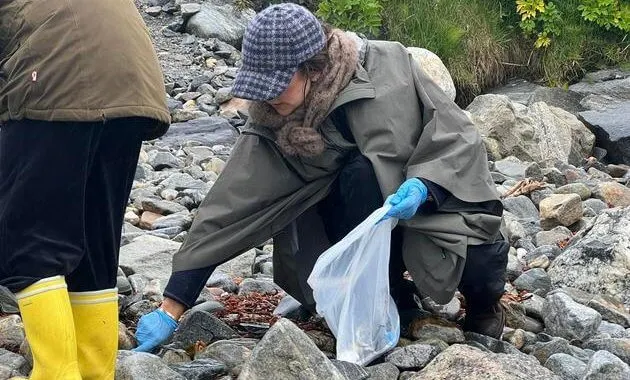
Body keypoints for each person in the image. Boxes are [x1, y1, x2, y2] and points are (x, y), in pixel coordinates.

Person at [134, 3, 508, 353]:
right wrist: (172, 307)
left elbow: (458, 136)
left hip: (427, 204)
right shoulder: (273, 119)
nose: (265, 97)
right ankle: (391, 294)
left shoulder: (391, 66)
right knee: (359, 177)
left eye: (276, 83)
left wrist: (427, 185)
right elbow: (229, 206)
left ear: (313, 68)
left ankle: (484, 303)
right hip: (350, 221)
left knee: (477, 248)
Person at [0, 1, 170, 378]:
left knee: (29, 244)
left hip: (56, 71)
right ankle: (96, 372)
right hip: (132, 79)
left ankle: (56, 374)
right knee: (95, 247)